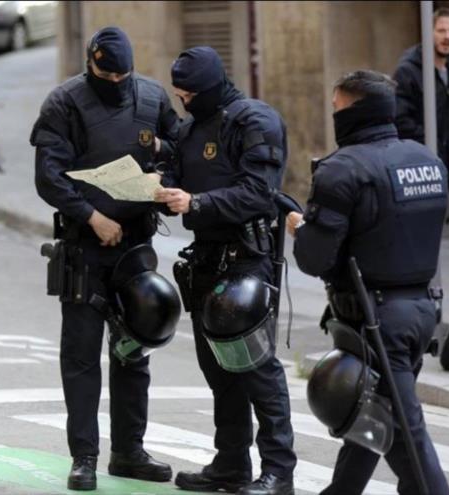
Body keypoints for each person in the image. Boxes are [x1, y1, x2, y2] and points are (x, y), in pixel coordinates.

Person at [30, 26, 179, 491]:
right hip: (86, 244)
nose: (115, 83)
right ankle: (85, 456)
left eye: (123, 76)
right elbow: (49, 177)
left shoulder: (153, 99)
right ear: (90, 64)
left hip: (136, 243)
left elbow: (179, 151)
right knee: (81, 354)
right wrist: (91, 216)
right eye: (105, 74)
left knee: (134, 348)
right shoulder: (65, 103)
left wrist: (162, 169)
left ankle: (129, 451)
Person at [288, 69, 449, 495]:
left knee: (404, 431)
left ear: (357, 111)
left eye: (337, 108)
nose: (333, 116)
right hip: (421, 311)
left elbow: (314, 259)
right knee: (370, 412)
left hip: (374, 319)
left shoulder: (342, 170)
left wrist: (301, 228)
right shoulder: (426, 160)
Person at [154, 46, 296, 495]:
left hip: (247, 259)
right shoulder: (191, 126)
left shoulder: (255, 121)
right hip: (206, 261)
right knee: (219, 371)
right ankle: (231, 463)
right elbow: (176, 168)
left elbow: (258, 192)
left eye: (189, 95)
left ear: (210, 88)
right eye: (178, 96)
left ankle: (278, 472)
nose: (184, 103)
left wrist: (196, 203)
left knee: (257, 369)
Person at [393, 7, 449, 172]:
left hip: (444, 166)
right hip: (417, 165)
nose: (447, 37)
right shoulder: (408, 71)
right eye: (441, 31)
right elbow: (400, 120)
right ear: (428, 32)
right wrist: (432, 144)